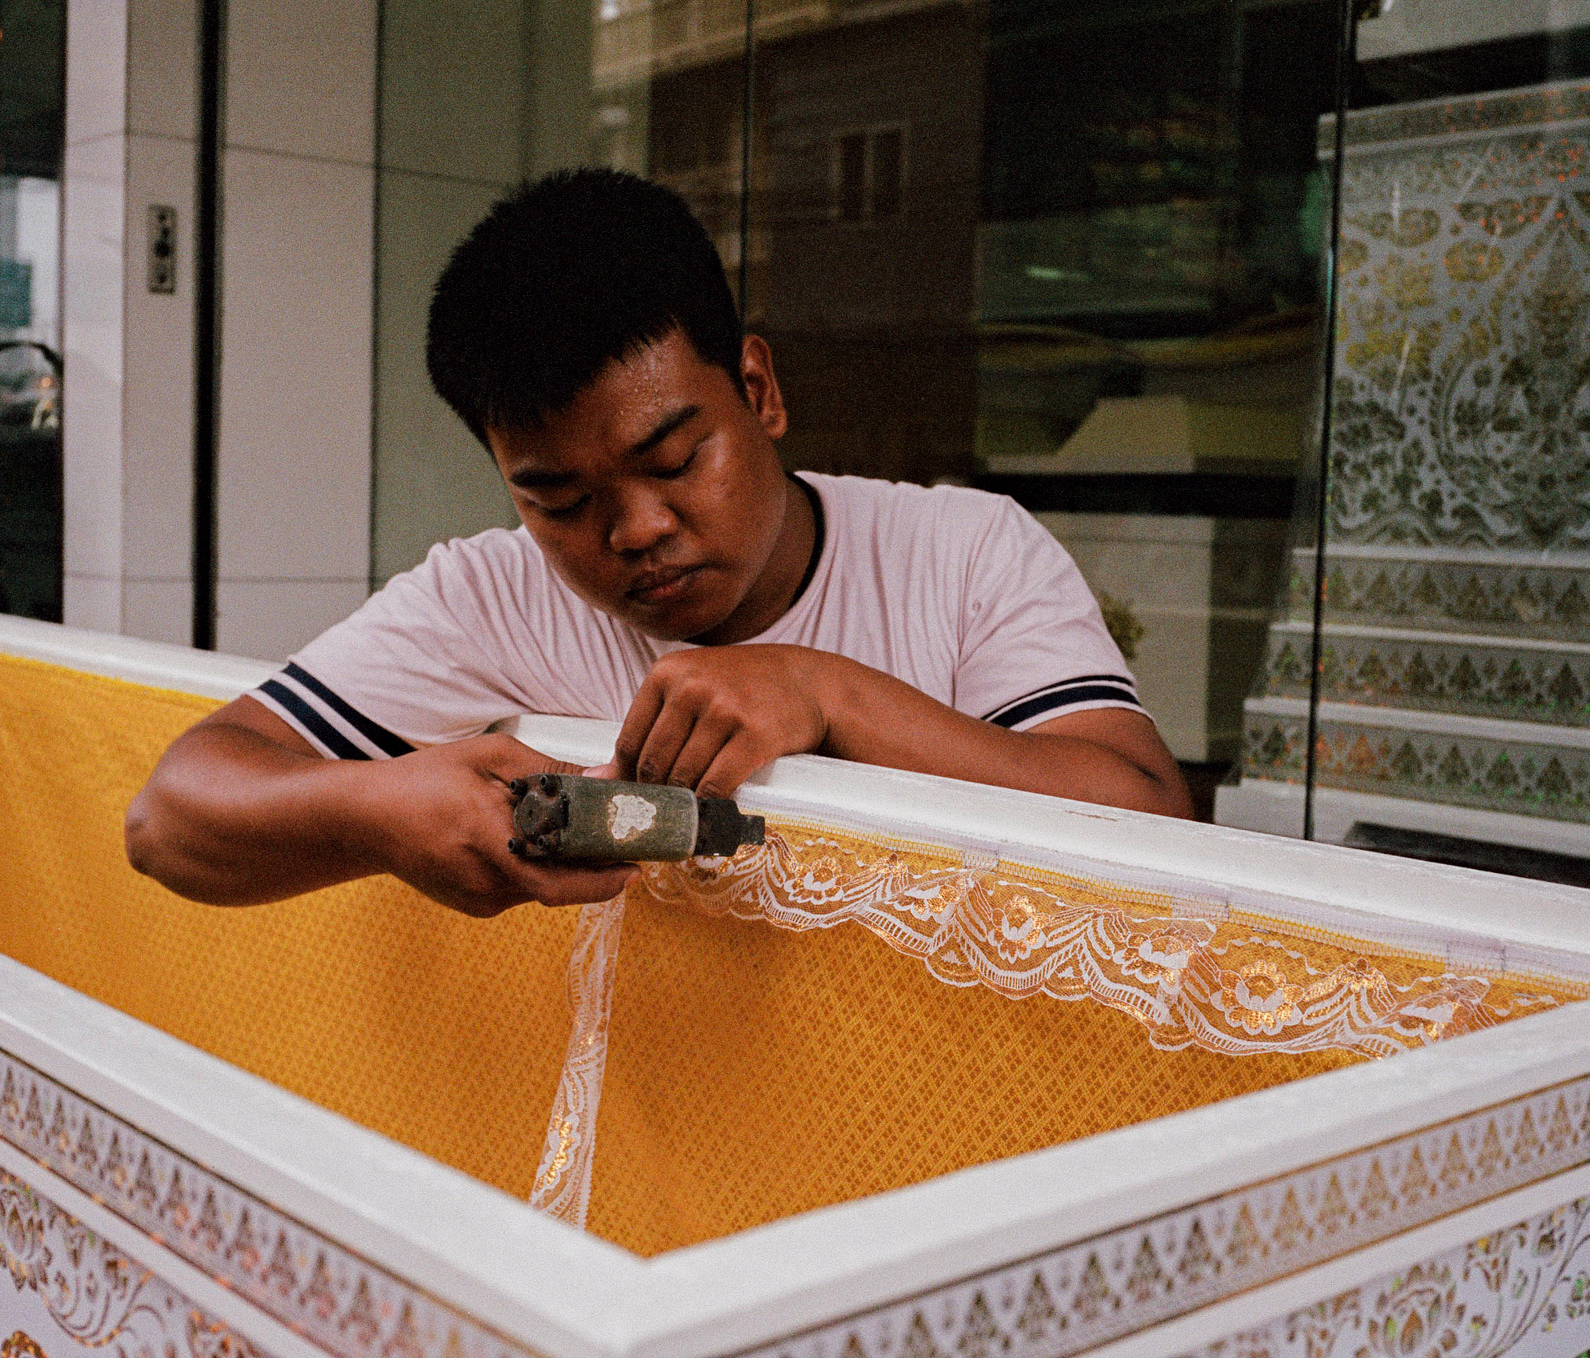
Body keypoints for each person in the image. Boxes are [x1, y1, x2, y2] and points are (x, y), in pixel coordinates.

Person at [124, 168, 1191, 917]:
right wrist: (373, 809)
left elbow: (1151, 823)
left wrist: (826, 693)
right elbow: (170, 817)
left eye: (676, 460)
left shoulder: (959, 552)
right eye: (558, 498)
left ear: (758, 391)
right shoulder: (487, 594)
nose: (635, 529)